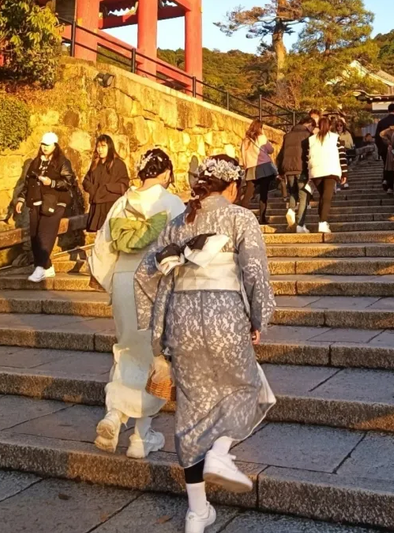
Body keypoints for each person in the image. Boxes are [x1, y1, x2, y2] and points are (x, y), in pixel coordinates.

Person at [134, 155, 276, 533]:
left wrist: (153, 323)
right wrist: (260, 318)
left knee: (191, 414)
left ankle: (197, 512)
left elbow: (145, 274)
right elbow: (255, 274)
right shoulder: (240, 217)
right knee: (248, 389)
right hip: (224, 315)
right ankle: (219, 453)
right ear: (231, 187)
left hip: (182, 322)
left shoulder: (180, 222)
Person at [89, 148, 185, 458]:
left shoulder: (120, 204)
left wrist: (110, 284)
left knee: (126, 349)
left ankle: (114, 414)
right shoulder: (171, 204)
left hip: (122, 280)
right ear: (166, 173)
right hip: (154, 283)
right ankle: (142, 437)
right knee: (153, 357)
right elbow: (182, 251)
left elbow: (102, 248)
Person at [15, 132, 75, 283]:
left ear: (55, 146)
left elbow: (69, 182)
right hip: (36, 202)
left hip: (55, 203)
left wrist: (52, 183)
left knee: (45, 234)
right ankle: (47, 267)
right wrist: (21, 199)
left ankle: (40, 268)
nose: (44, 147)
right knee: (35, 236)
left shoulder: (62, 162)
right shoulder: (36, 162)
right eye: (43, 144)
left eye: (48, 145)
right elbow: (28, 183)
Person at [303, 117, 348, 234]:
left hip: (316, 171)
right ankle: (322, 222)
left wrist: (308, 172)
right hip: (330, 169)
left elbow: (307, 157)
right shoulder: (335, 138)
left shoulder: (311, 139)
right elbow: (342, 156)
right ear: (330, 126)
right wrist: (344, 172)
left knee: (323, 196)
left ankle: (323, 221)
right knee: (326, 197)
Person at [276, 115, 316, 234]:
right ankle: (300, 224)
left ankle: (291, 210)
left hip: (288, 169)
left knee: (293, 193)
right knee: (303, 196)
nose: (312, 130)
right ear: (309, 125)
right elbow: (309, 154)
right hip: (301, 168)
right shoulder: (308, 136)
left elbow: (281, 154)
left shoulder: (287, 135)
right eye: (312, 127)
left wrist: (281, 171)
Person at [83, 134, 129, 232]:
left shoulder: (118, 164)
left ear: (109, 147)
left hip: (111, 205)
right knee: (98, 235)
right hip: (97, 205)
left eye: (103, 146)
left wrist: (106, 188)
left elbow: (124, 185)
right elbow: (86, 181)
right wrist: (94, 190)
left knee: (110, 235)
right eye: (98, 147)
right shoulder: (95, 164)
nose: (100, 149)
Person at [240, 120, 277, 224]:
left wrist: (246, 167)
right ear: (260, 128)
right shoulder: (262, 138)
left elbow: (243, 156)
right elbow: (271, 150)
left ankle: (242, 218)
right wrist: (263, 135)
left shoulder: (245, 140)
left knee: (248, 194)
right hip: (264, 167)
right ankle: (262, 218)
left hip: (250, 168)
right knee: (263, 193)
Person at [375, 103, 394, 191]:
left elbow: (377, 138)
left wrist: (381, 149)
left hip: (385, 148)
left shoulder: (382, 122)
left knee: (387, 165)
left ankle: (387, 182)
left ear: (388, 111)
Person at [335, 120, 355, 185]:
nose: (339, 127)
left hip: (345, 152)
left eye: (341, 125)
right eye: (337, 125)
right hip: (336, 153)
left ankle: (345, 181)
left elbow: (351, 144)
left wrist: (342, 142)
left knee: (344, 167)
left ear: (343, 126)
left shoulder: (347, 134)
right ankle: (339, 182)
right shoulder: (334, 134)